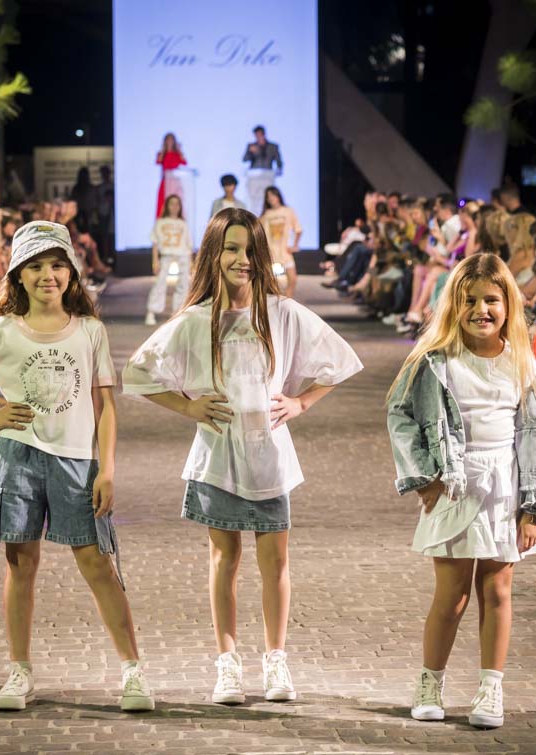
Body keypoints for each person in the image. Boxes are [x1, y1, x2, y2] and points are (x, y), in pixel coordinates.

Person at [123, 208, 362, 706]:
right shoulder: (195, 320)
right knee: (223, 559)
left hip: (270, 455)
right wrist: (187, 406)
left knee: (276, 562)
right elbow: (140, 373)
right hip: (217, 457)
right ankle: (227, 664)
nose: (242, 259)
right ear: (213, 254)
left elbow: (337, 362)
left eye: (250, 248)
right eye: (231, 248)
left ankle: (276, 659)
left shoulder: (283, 312)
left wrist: (300, 401)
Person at [0, 220, 155, 713]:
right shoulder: (1, 331)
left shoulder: (91, 332)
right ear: (17, 274)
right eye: (35, 266)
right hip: (17, 458)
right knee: (20, 564)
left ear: (73, 274)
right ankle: (19, 671)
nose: (47, 275)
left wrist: (108, 469)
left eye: (57, 265)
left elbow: (107, 407)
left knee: (97, 562)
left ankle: (133, 671)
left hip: (77, 462)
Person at [386, 253, 536, 729]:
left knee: (497, 589)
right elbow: (400, 418)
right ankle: (431, 680)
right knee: (451, 594)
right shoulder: (435, 360)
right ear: (454, 305)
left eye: (491, 299)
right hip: (454, 484)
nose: (481, 310)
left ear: (508, 303)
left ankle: (491, 688)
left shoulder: (520, 361)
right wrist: (424, 476)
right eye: (469, 300)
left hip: (505, 486)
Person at [146, 194, 193, 326]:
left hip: (182, 255)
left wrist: (191, 262)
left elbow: (188, 244)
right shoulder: (160, 222)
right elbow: (155, 243)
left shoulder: (183, 223)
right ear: (167, 205)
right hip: (166, 254)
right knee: (160, 283)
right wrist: (155, 260)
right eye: (172, 203)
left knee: (183, 284)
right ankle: (152, 311)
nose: (174, 207)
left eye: (177, 204)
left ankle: (177, 312)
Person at [260, 187, 302, 299]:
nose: (271, 198)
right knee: (270, 283)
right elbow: (259, 233)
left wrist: (295, 245)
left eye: (273, 195)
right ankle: (273, 307)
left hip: (285, 251)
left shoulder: (288, 211)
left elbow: (298, 229)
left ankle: (288, 303)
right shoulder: (266, 215)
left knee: (292, 279)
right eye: (268, 197)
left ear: (278, 196)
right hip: (271, 252)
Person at [242, 126, 282, 215]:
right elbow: (244, 159)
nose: (258, 137)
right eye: (256, 135)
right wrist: (251, 152)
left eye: (259, 134)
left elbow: (279, 161)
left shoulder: (273, 147)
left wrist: (279, 170)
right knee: (253, 199)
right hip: (254, 177)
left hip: (267, 177)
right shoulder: (251, 146)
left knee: (267, 197)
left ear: (263, 134)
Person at [155, 133, 187, 219]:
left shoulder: (177, 154)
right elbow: (158, 161)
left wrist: (179, 149)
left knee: (177, 202)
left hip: (175, 182)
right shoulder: (161, 153)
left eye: (171, 139)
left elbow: (184, 162)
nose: (170, 141)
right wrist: (164, 149)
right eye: (168, 139)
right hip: (165, 182)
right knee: (163, 203)